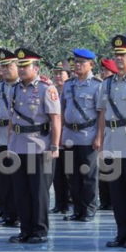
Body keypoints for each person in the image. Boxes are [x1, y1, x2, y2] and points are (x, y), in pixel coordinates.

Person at [7, 49, 61, 244]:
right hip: (18, 145)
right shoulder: (15, 89)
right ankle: (25, 229)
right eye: (19, 66)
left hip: (40, 146)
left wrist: (54, 146)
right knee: (20, 191)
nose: (21, 70)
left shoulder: (47, 89)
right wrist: (9, 143)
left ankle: (39, 230)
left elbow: (55, 119)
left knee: (38, 192)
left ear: (36, 68)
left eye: (25, 66)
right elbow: (12, 118)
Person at [96, 36, 126, 248]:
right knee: (116, 194)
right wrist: (100, 139)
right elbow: (102, 114)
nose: (118, 59)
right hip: (112, 143)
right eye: (116, 56)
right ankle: (121, 232)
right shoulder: (106, 84)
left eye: (122, 55)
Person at [61, 48, 102, 222]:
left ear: (91, 64)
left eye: (82, 62)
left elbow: (101, 113)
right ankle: (77, 209)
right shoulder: (68, 84)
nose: (77, 65)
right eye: (76, 62)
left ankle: (89, 208)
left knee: (89, 175)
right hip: (70, 134)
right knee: (72, 174)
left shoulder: (97, 85)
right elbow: (63, 108)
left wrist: (99, 136)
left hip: (88, 134)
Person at [0, 48, 19, 227]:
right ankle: (7, 214)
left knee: (16, 179)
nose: (5, 70)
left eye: (8, 66)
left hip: (16, 137)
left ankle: (18, 215)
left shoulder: (22, 87)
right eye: (2, 66)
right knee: (2, 180)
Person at [96, 58, 117, 211]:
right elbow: (102, 113)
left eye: (106, 70)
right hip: (110, 136)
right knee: (108, 175)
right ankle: (106, 201)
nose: (103, 73)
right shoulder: (106, 85)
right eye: (102, 70)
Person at [51, 61, 71, 214]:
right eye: (56, 73)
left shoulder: (71, 90)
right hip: (54, 139)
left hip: (68, 137)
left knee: (69, 172)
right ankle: (59, 203)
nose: (58, 76)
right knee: (57, 173)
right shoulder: (51, 91)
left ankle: (69, 202)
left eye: (61, 73)